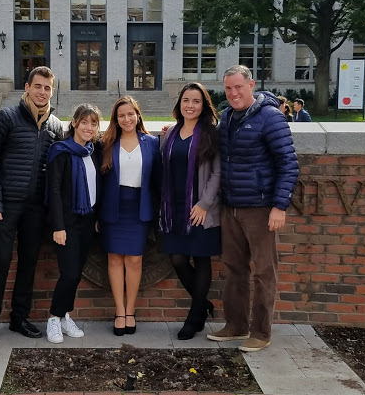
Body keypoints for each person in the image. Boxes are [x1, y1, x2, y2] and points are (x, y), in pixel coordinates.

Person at [208, 65, 299, 352]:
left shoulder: (270, 117)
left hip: (260, 207)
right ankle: (236, 325)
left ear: (251, 85)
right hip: (231, 205)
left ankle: (260, 332)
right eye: (228, 88)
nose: (233, 93)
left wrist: (279, 206)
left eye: (238, 87)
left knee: (263, 272)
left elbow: (288, 163)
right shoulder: (227, 116)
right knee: (234, 269)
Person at [0, 66, 63, 345]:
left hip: (36, 209)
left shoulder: (55, 125)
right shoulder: (7, 116)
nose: (42, 92)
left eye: (47, 88)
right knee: (1, 262)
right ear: (27, 87)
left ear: (52, 91)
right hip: (6, 204)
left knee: (29, 264)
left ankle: (19, 318)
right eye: (37, 86)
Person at [160, 82, 221, 340]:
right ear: (179, 104)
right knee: (177, 257)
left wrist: (204, 204)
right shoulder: (170, 134)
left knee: (201, 258)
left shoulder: (212, 134)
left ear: (203, 105)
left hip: (201, 208)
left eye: (196, 101)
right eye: (186, 100)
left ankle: (194, 316)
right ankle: (203, 305)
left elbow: (218, 172)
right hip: (174, 207)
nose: (190, 105)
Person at [100, 96, 161, 336]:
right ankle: (118, 311)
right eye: (121, 115)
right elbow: (99, 181)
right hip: (112, 209)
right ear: (116, 119)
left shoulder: (152, 143)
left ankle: (130, 311)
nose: (126, 119)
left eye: (130, 114)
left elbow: (157, 180)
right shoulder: (105, 143)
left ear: (138, 115)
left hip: (139, 207)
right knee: (114, 259)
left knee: (134, 260)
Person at [45, 104, 102, 344]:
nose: (89, 127)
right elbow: (54, 191)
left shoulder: (93, 151)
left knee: (77, 272)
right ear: (75, 123)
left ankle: (65, 314)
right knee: (68, 273)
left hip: (87, 221)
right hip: (66, 222)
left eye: (94, 123)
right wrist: (58, 226)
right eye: (85, 122)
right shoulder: (60, 151)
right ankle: (53, 318)